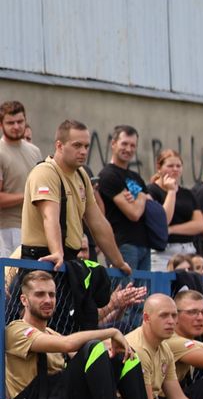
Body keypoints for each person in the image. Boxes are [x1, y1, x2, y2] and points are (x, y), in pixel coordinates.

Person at [5, 267, 153, 399]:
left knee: (121, 355)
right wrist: (112, 333)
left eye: (52, 294)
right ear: (24, 300)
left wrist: (115, 347)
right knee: (92, 346)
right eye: (40, 294)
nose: (48, 300)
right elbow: (69, 344)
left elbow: (87, 356)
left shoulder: (51, 333)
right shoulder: (16, 330)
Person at [20, 119, 132, 277]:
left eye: (86, 146)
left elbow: (98, 223)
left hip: (68, 259)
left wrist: (119, 261)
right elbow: (49, 216)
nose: (84, 151)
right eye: (77, 145)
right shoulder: (45, 172)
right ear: (59, 145)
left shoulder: (81, 175)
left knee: (98, 288)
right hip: (42, 259)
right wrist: (57, 252)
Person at [95, 125, 154, 279]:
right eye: (124, 144)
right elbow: (133, 213)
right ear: (113, 144)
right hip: (122, 245)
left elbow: (152, 206)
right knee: (124, 295)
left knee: (142, 299)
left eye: (133, 145)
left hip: (144, 245)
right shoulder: (108, 175)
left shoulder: (136, 177)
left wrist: (137, 200)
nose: (128, 149)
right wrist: (141, 197)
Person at [147, 149, 203, 271]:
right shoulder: (151, 191)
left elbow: (199, 225)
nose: (175, 169)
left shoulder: (187, 194)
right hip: (162, 252)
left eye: (178, 166)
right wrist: (171, 192)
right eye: (170, 166)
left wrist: (172, 229)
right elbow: (163, 221)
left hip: (188, 251)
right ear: (159, 167)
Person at [0, 99, 42, 257]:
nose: (16, 127)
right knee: (9, 280)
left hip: (35, 228)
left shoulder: (35, 151)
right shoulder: (1, 152)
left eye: (20, 121)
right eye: (10, 123)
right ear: (1, 125)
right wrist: (27, 195)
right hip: (8, 229)